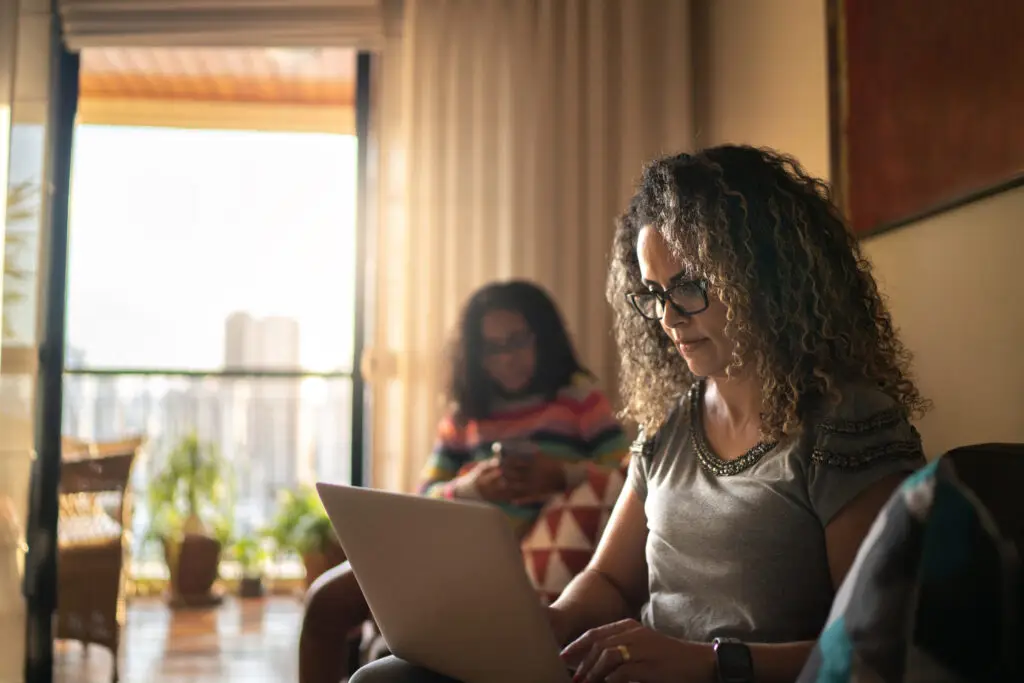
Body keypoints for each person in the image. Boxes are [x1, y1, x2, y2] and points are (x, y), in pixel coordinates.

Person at [352, 145, 930, 683]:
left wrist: (704, 663)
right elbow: (607, 580)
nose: (668, 317)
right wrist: (546, 625)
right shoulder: (672, 425)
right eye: (653, 293)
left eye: (691, 286)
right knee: (386, 677)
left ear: (766, 279)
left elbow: (871, 642)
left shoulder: (848, 425)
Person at [299, 280, 629, 683]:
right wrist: (473, 487)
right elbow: (424, 496)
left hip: (511, 567)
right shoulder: (465, 415)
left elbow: (624, 472)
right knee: (325, 601)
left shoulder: (579, 398)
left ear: (542, 337)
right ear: (477, 355)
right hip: (450, 556)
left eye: (517, 341)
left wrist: (559, 475)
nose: (507, 358)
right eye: (492, 348)